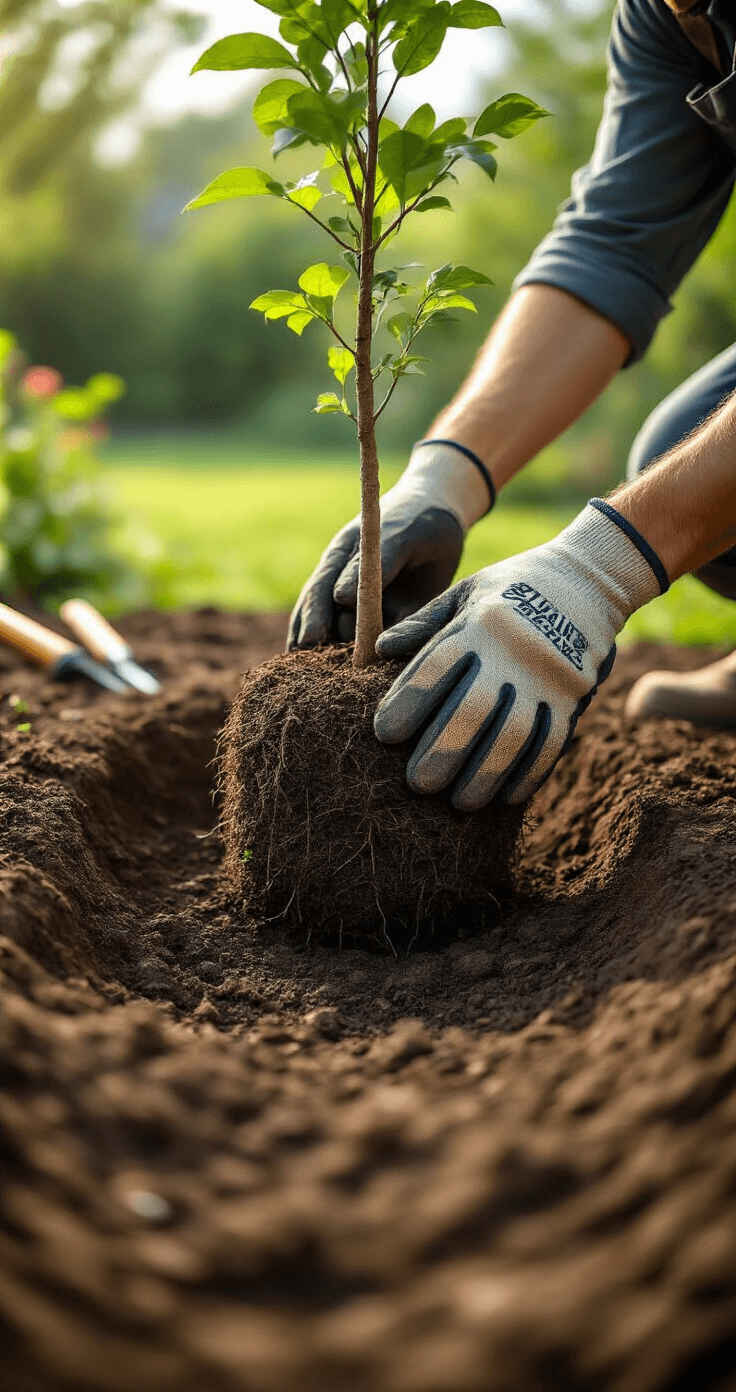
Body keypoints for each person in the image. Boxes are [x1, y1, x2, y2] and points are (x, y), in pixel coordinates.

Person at [288, 0, 736, 809]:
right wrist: (442, 481)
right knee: (682, 448)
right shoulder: (670, 16)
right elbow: (616, 245)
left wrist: (597, 570)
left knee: (689, 489)